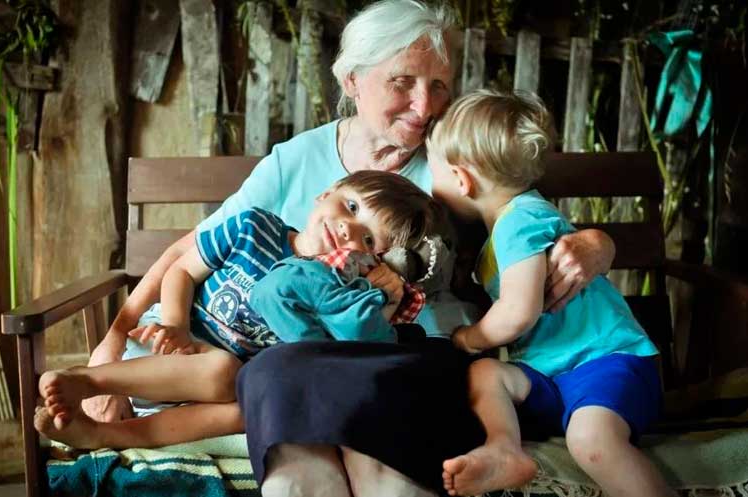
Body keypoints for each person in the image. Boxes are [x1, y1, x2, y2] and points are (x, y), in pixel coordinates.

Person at [83, 1, 617, 495]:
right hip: (282, 360)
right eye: (403, 82)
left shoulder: (452, 163)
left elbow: (532, 220)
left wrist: (599, 243)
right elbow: (194, 249)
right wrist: (111, 341)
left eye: (439, 85)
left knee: (362, 385)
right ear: (352, 80)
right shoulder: (298, 160)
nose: (424, 104)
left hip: (388, 358)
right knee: (275, 380)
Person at [34, 171, 437, 449]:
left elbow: (351, 347)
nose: (348, 229)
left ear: (372, 260)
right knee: (224, 371)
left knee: (245, 406)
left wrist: (384, 298)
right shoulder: (253, 227)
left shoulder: (331, 292)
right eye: (350, 207)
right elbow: (181, 271)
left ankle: (101, 436)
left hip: (211, 391)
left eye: (367, 239)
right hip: (161, 349)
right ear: (325, 193)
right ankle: (87, 382)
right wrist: (175, 324)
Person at [426, 89, 674, 497]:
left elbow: (519, 312)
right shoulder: (508, 226)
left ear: (461, 179)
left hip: (606, 363)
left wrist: (467, 338)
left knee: (591, 442)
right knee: (487, 374)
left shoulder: (519, 223)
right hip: (554, 375)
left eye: (434, 174)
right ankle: (504, 449)